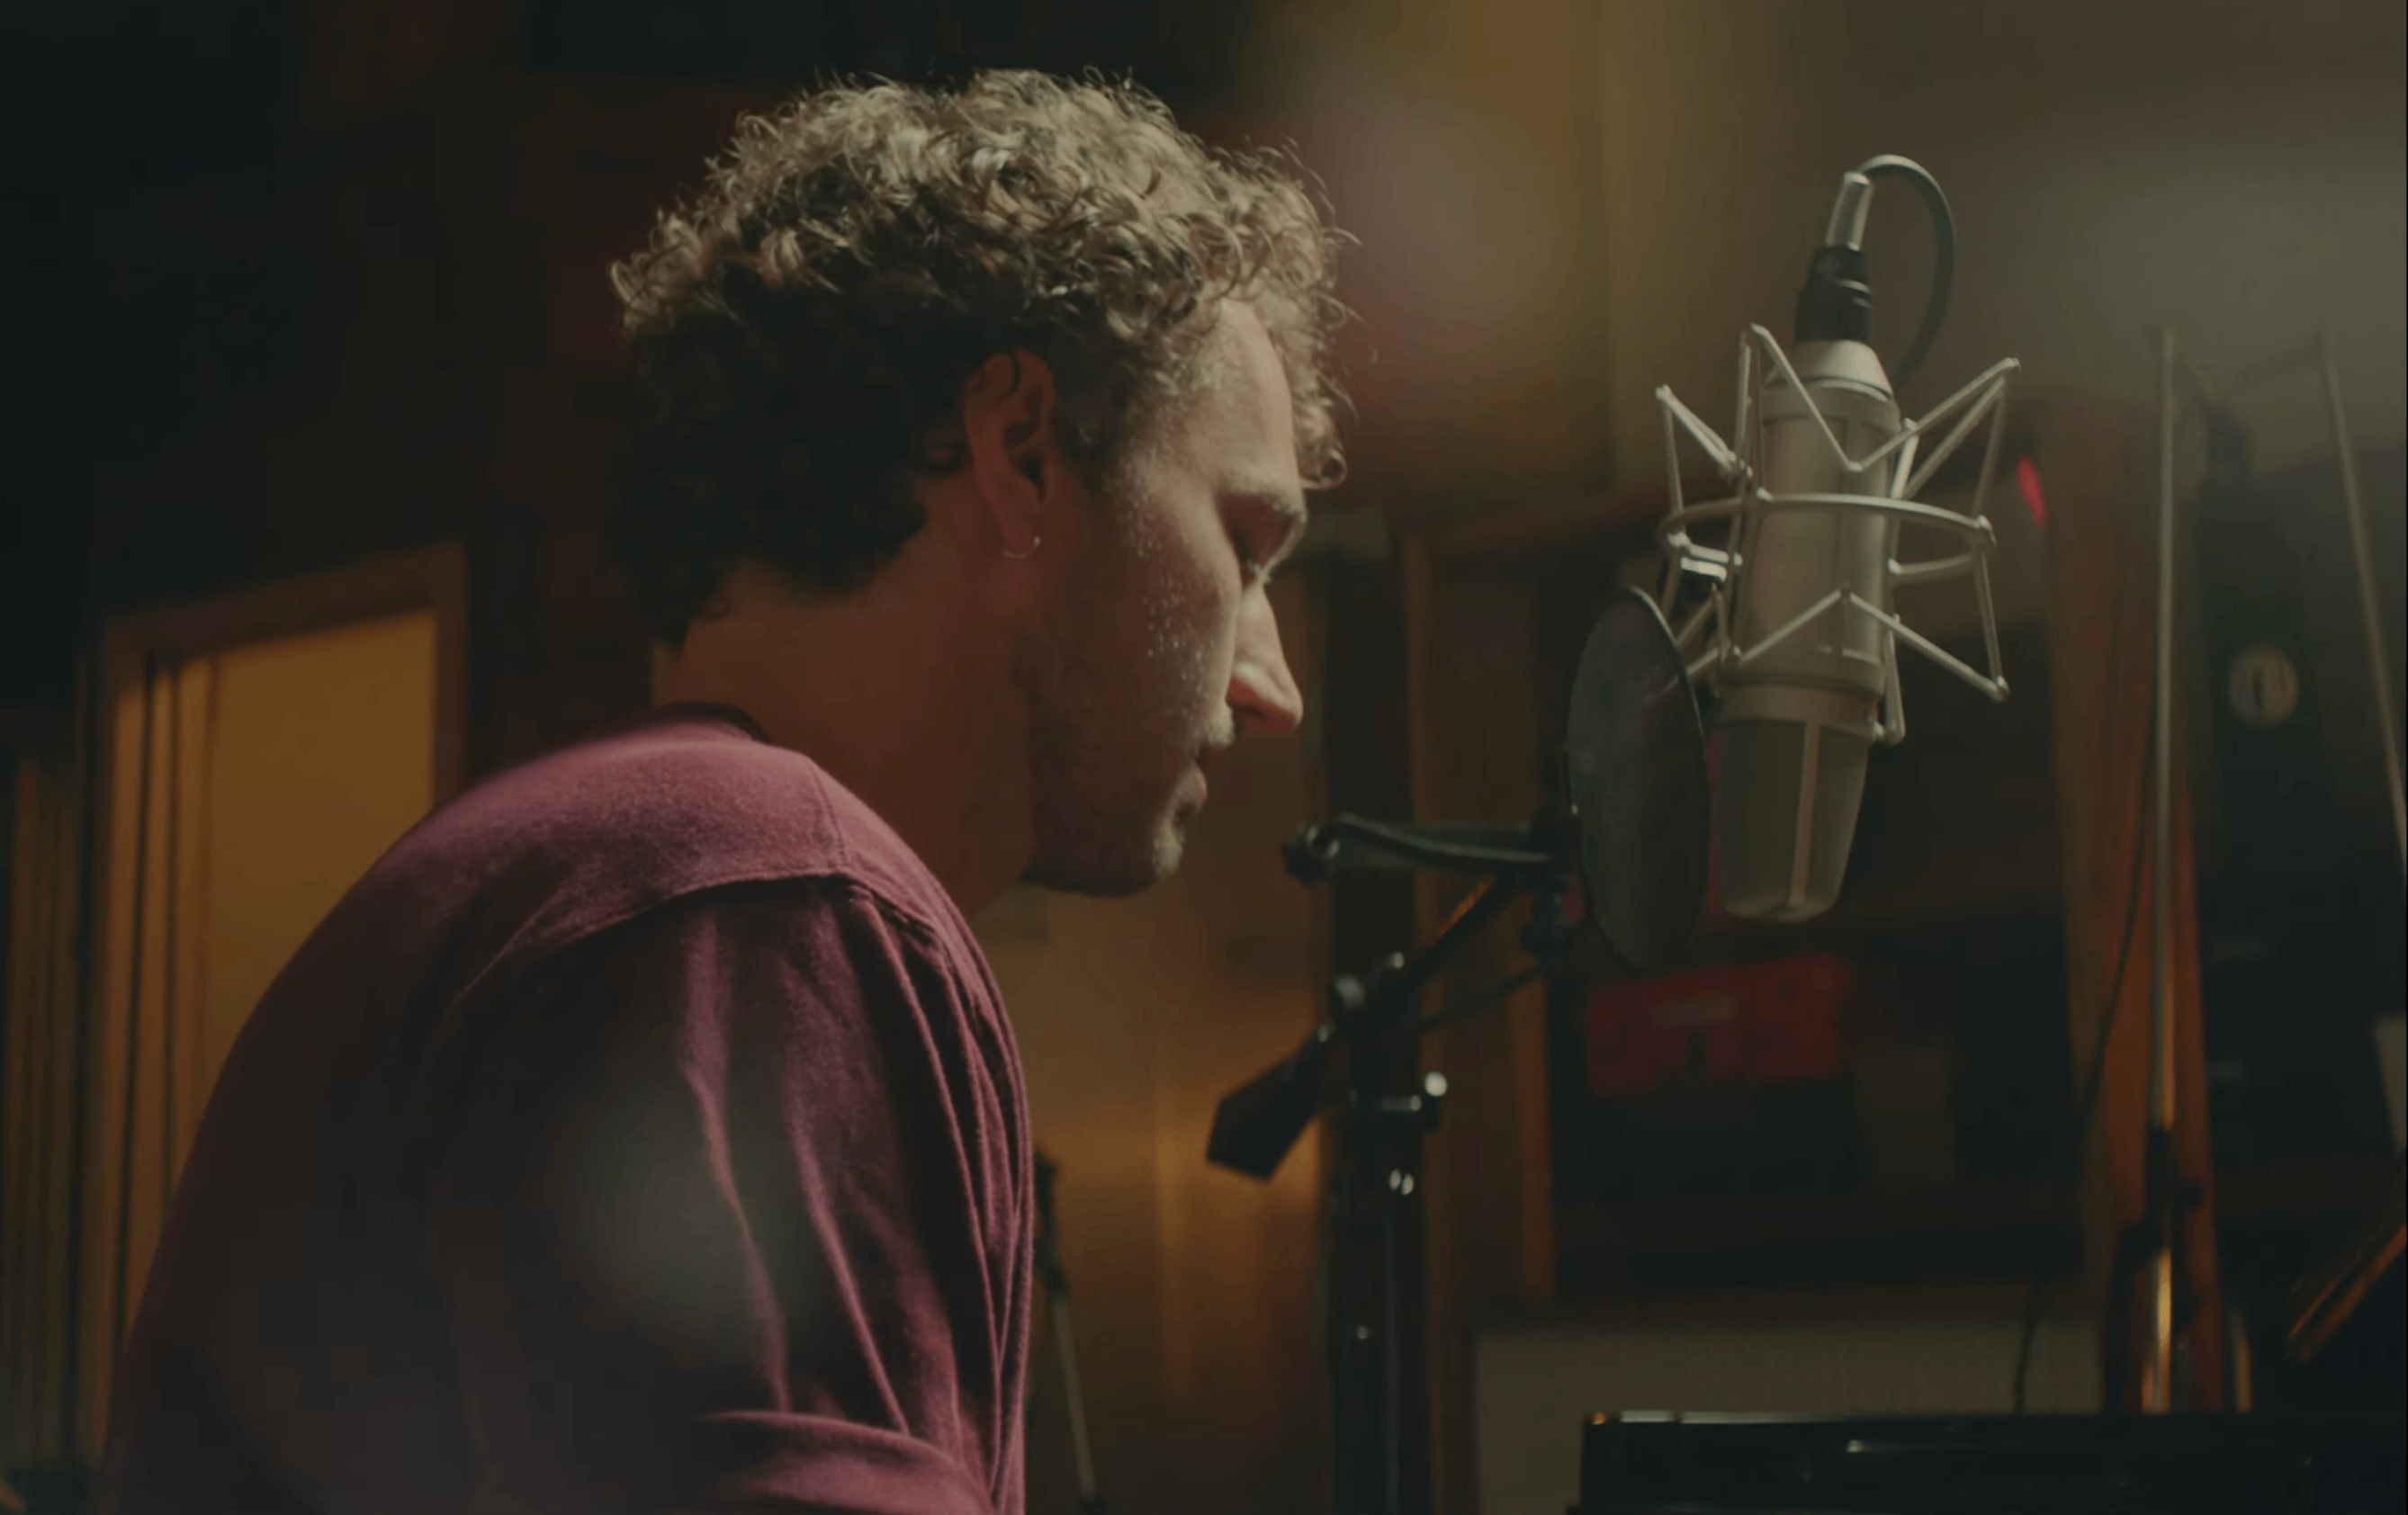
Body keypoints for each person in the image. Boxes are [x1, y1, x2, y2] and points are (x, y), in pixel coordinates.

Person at [93, 69, 1348, 1515]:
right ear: (1020, 454)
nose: (1272, 685)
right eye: (1245, 544)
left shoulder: (638, 874)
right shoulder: (759, 897)